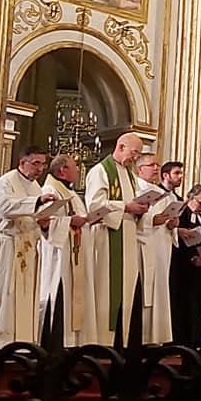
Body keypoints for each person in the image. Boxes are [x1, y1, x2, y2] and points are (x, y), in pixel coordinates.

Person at [0, 146, 57, 347]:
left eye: (43, 164)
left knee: (26, 294)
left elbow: (34, 214)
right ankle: (1, 340)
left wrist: (43, 222)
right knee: (5, 292)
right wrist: (37, 202)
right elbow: (7, 208)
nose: (40, 168)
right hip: (8, 245)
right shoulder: (5, 183)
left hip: (28, 246)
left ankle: (24, 340)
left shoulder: (35, 187)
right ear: (22, 162)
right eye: (36, 163)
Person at [85, 133, 149, 344]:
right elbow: (95, 206)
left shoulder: (130, 175)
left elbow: (131, 205)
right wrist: (125, 206)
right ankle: (104, 340)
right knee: (108, 290)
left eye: (138, 154)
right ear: (121, 146)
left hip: (128, 237)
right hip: (107, 238)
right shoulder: (101, 171)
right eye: (134, 152)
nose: (135, 158)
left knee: (128, 290)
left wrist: (140, 209)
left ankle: (124, 338)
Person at [39, 154, 97, 346]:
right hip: (59, 255)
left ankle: (74, 341)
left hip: (75, 251)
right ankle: (55, 339)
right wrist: (71, 221)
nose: (79, 170)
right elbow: (44, 222)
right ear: (62, 170)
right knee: (58, 290)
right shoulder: (49, 190)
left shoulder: (69, 193)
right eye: (75, 167)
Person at [135, 154, 178, 344]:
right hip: (144, 245)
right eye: (151, 165)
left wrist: (172, 223)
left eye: (157, 165)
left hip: (162, 246)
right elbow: (137, 219)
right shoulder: (134, 187)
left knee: (160, 290)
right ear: (139, 169)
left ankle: (157, 337)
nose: (155, 168)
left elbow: (166, 220)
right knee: (145, 290)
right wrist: (153, 220)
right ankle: (142, 336)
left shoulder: (161, 193)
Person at [171, 184, 201, 348]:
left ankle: (196, 338)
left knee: (196, 303)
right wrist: (192, 257)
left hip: (199, 268)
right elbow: (174, 240)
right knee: (181, 304)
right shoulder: (179, 215)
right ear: (190, 197)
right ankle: (180, 341)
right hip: (181, 266)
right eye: (200, 203)